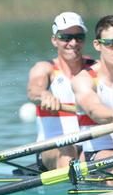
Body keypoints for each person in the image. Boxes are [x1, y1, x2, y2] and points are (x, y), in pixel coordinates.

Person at [27, 12, 95, 170]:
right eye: (65, 37)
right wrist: (44, 95)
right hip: (53, 146)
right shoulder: (45, 69)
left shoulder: (95, 68)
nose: (73, 42)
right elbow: (34, 90)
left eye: (79, 37)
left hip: (90, 144)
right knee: (68, 150)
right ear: (54, 40)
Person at [71, 15, 113, 186]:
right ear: (97, 45)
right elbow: (93, 109)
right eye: (111, 43)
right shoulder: (84, 80)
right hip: (97, 152)